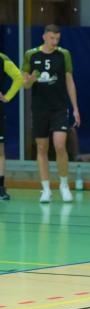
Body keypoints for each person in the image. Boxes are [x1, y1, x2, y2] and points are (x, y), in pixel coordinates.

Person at [22, 24, 81, 203]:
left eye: (57, 38)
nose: (55, 42)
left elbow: (69, 81)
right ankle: (46, 188)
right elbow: (24, 84)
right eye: (52, 38)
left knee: (60, 145)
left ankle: (63, 185)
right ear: (44, 37)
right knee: (41, 148)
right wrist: (30, 80)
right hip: (40, 108)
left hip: (59, 107)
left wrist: (75, 107)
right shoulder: (31, 55)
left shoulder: (64, 54)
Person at [0, 52, 23, 200]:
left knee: (0, 151)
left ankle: (1, 188)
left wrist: (7, 96)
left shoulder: (2, 59)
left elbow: (19, 77)